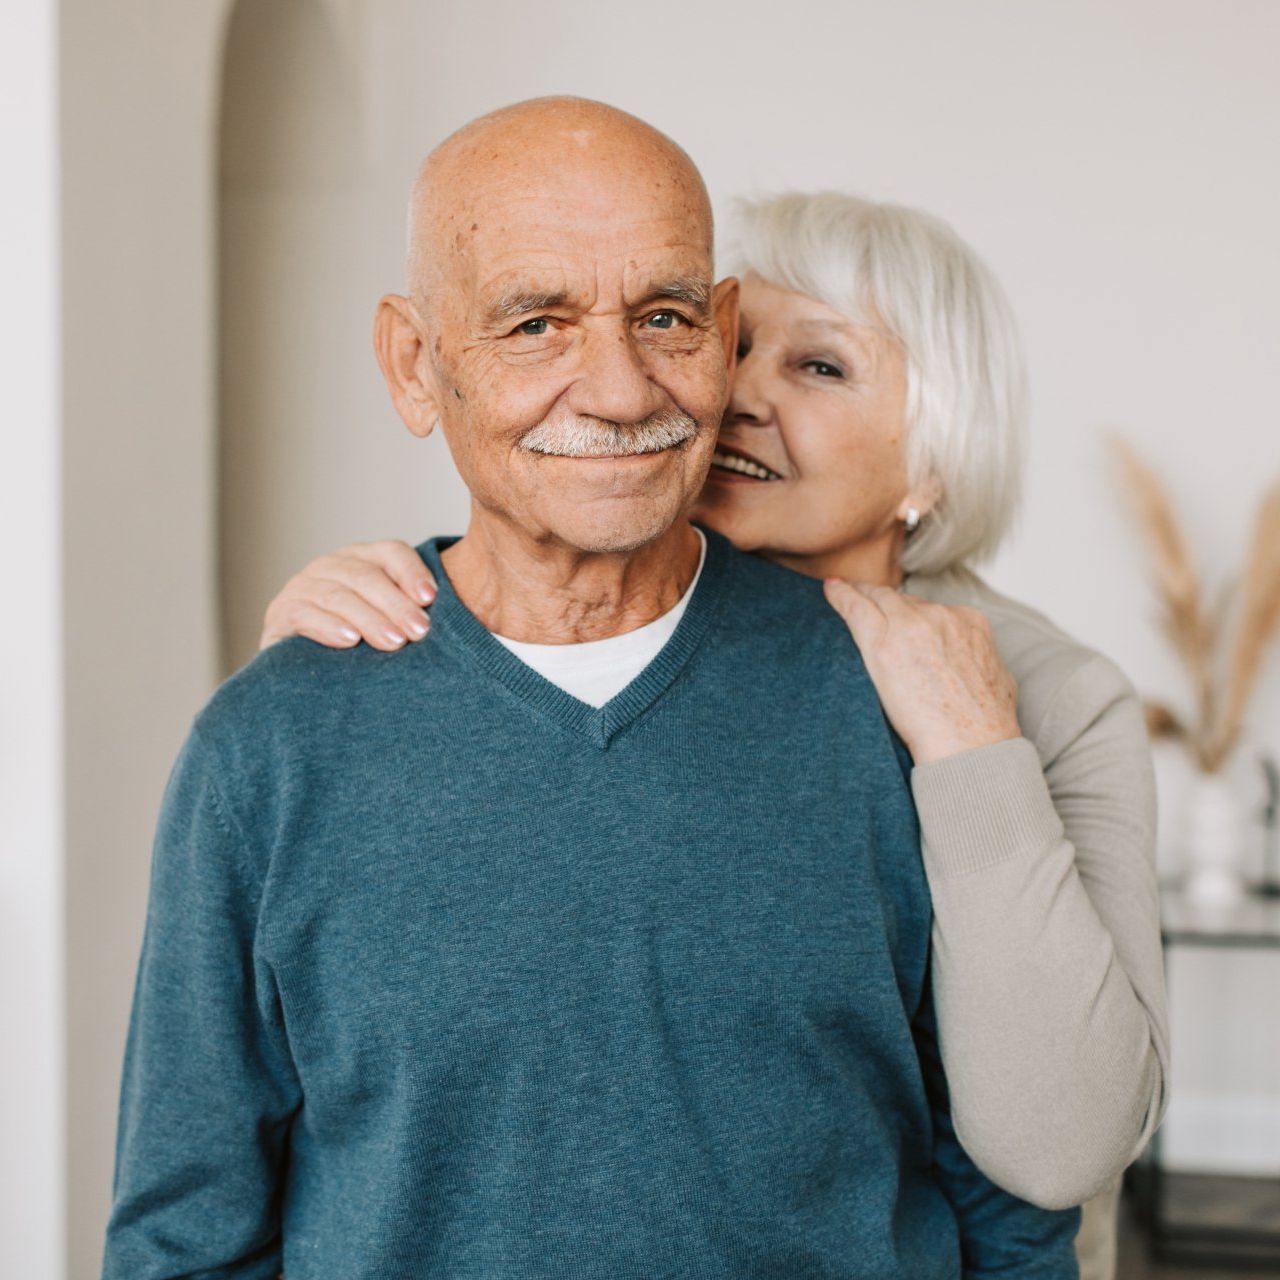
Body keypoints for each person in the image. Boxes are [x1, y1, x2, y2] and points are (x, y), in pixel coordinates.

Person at [102, 98, 1081, 1278]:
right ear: (417, 364)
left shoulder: (902, 705)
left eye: (664, 316)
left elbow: (1012, 1209)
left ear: (720, 339)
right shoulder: (268, 746)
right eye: (535, 323)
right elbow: (183, 1236)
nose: (618, 390)